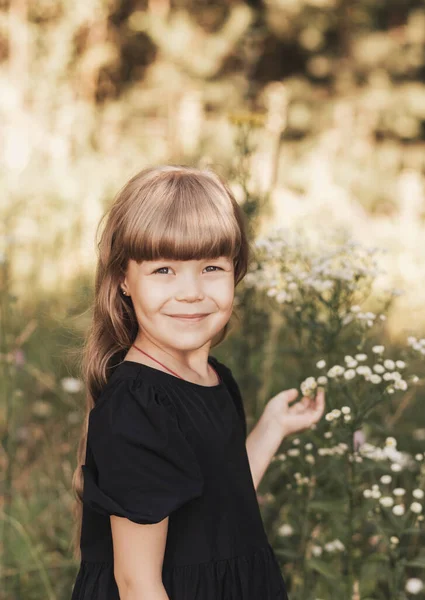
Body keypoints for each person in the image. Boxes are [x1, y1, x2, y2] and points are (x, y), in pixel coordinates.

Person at [70, 164, 325, 600]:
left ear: (236, 272)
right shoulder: (137, 406)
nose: (191, 291)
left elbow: (221, 503)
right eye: (164, 270)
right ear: (123, 281)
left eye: (211, 267)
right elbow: (137, 584)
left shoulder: (213, 378)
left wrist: (271, 428)